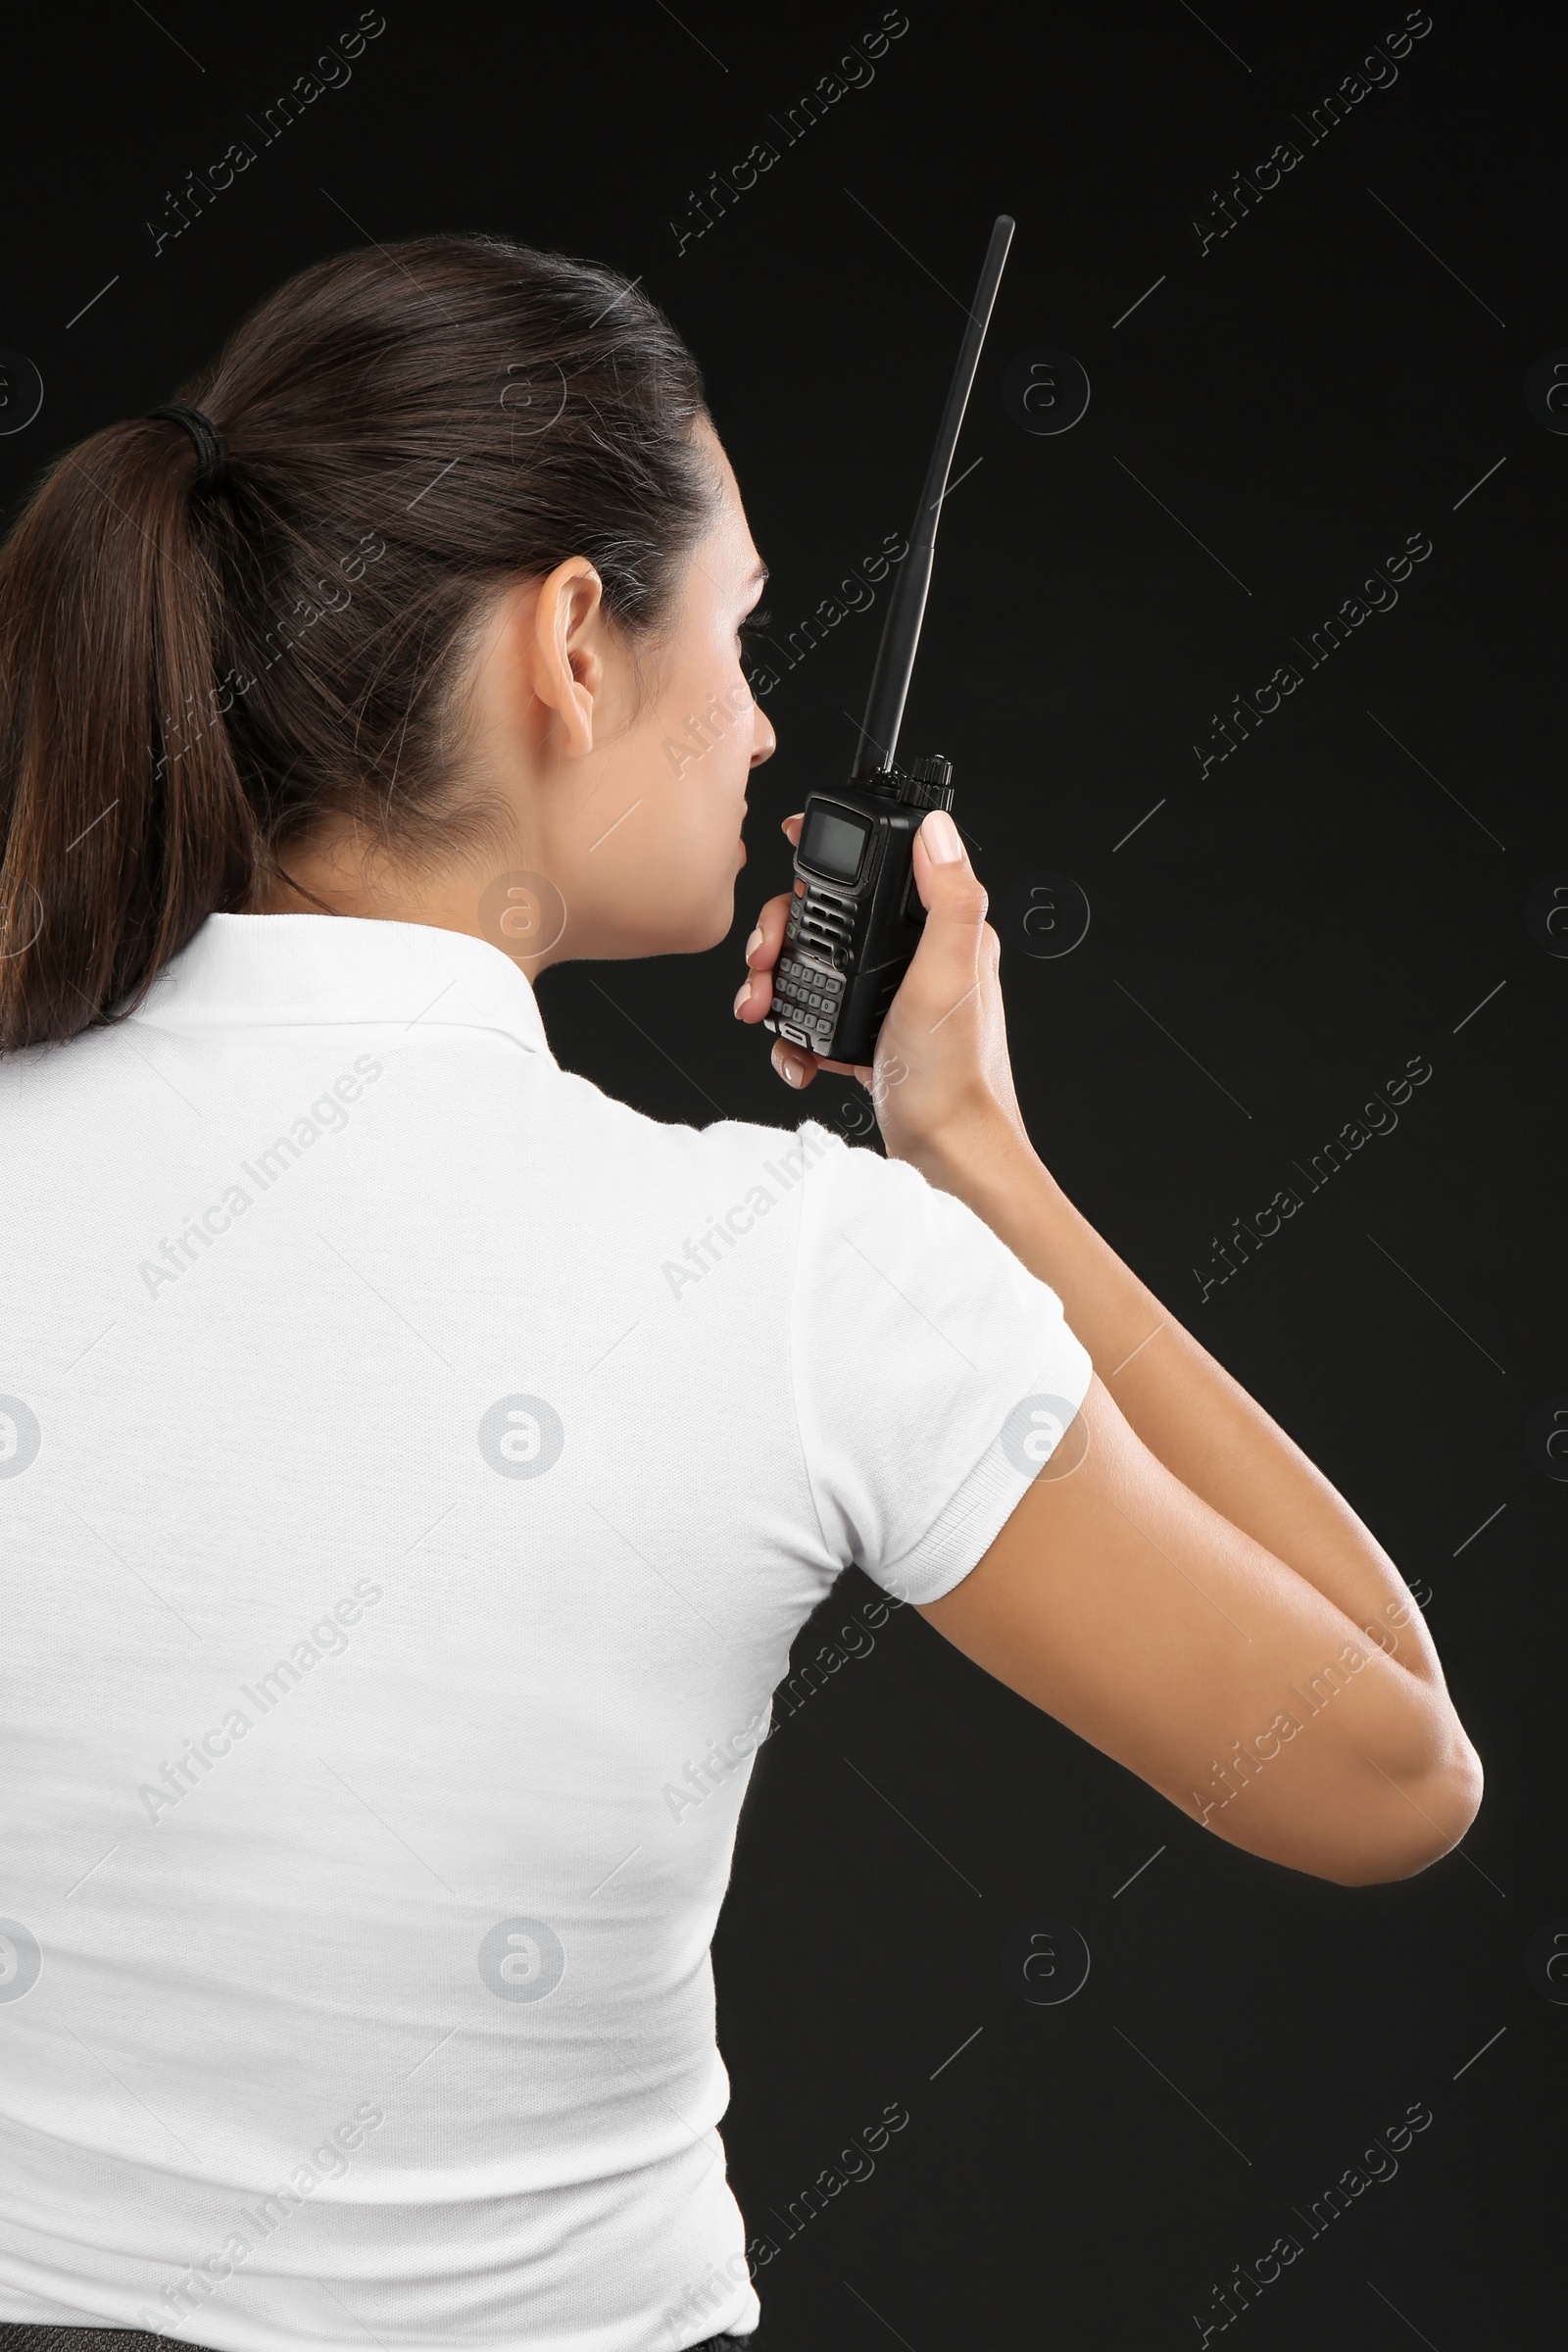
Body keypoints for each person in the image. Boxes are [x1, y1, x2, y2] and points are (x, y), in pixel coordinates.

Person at [0, 233, 1481, 2352]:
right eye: (745, 627)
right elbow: (1387, 1773)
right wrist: (970, 1155)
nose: (768, 719)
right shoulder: (791, 1271)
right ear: (573, 645)